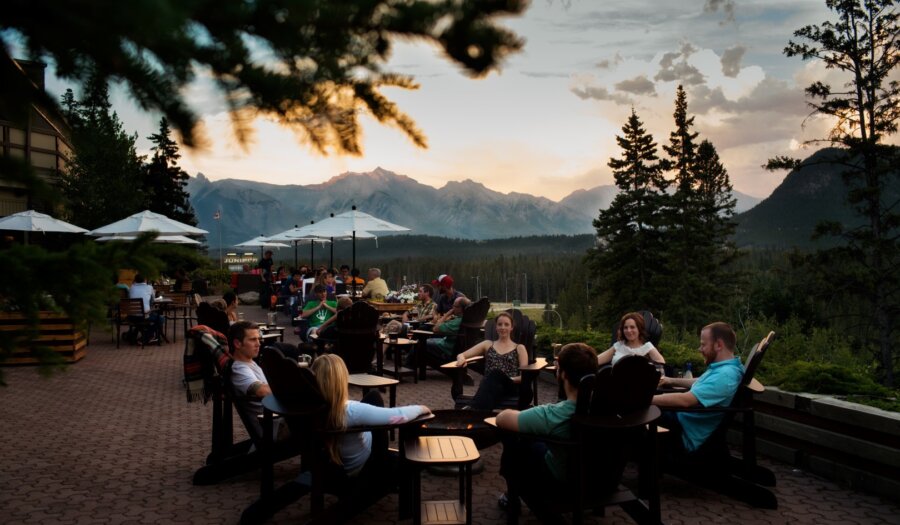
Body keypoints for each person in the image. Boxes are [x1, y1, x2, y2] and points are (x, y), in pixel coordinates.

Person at [496, 343, 599, 523]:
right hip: (602, 477)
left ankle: (514, 499)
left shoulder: (557, 413)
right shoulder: (605, 407)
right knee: (532, 445)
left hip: (563, 482)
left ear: (563, 374)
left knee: (513, 441)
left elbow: (502, 419)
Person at [311, 354, 431, 478]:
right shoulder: (350, 411)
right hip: (363, 467)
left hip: (334, 463)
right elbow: (398, 417)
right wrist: (421, 408)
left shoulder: (310, 407)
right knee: (410, 461)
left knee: (373, 397)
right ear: (341, 380)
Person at [652, 322, 743, 455]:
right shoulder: (725, 368)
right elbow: (700, 382)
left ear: (718, 345)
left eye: (703, 344)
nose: (700, 349)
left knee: (631, 414)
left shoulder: (725, 375)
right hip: (683, 419)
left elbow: (685, 400)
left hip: (683, 430)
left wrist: (644, 399)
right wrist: (669, 380)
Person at [455, 311, 528, 410]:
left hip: (510, 386)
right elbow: (462, 355)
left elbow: (524, 376)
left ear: (511, 328)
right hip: (490, 387)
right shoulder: (488, 344)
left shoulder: (519, 348)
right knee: (491, 386)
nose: (503, 327)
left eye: (506, 324)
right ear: (496, 327)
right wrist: (461, 360)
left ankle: (471, 409)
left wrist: (509, 379)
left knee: (495, 373)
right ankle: (478, 415)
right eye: (500, 324)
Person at [228, 321, 287, 439]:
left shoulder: (250, 362)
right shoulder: (239, 368)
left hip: (278, 419)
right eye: (253, 340)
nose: (258, 344)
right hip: (274, 428)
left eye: (258, 339)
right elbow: (262, 391)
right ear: (237, 344)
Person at [596, 312, 665, 366]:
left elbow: (662, 367)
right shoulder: (618, 346)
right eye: (625, 328)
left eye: (632, 327)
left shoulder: (648, 348)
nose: (629, 331)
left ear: (639, 329)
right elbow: (596, 361)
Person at [422, 296, 471, 364]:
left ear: (460, 308)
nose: (452, 308)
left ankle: (410, 366)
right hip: (457, 348)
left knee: (421, 343)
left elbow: (435, 329)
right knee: (428, 340)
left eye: (454, 306)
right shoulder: (467, 319)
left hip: (447, 349)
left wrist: (447, 314)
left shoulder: (456, 322)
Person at [128, 274, 164, 345]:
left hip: (131, 316)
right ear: (145, 279)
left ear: (135, 280)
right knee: (160, 318)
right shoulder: (149, 287)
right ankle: (147, 337)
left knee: (149, 316)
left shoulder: (131, 288)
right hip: (143, 316)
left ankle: (146, 335)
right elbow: (153, 301)